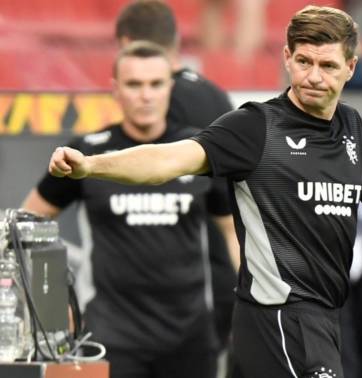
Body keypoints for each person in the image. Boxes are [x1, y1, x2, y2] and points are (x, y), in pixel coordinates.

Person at [45, 6, 362, 378]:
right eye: (303, 61)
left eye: (326, 64)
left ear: (351, 67)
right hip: (279, 319)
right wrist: (91, 165)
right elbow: (168, 159)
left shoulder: (354, 132)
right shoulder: (257, 126)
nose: (313, 76)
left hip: (320, 318)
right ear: (286, 58)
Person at [22, 41, 235, 378]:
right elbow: (28, 222)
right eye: (134, 85)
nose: (145, 95)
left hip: (189, 336)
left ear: (170, 87)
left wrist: (253, 305)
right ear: (116, 90)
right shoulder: (87, 156)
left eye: (155, 84)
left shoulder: (196, 153)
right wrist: (51, 305)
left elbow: (234, 233)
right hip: (110, 336)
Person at [115, 0, 239, 351]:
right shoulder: (213, 94)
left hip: (182, 287)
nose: (147, 95)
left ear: (127, 44)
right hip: (223, 273)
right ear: (176, 39)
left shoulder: (160, 103)